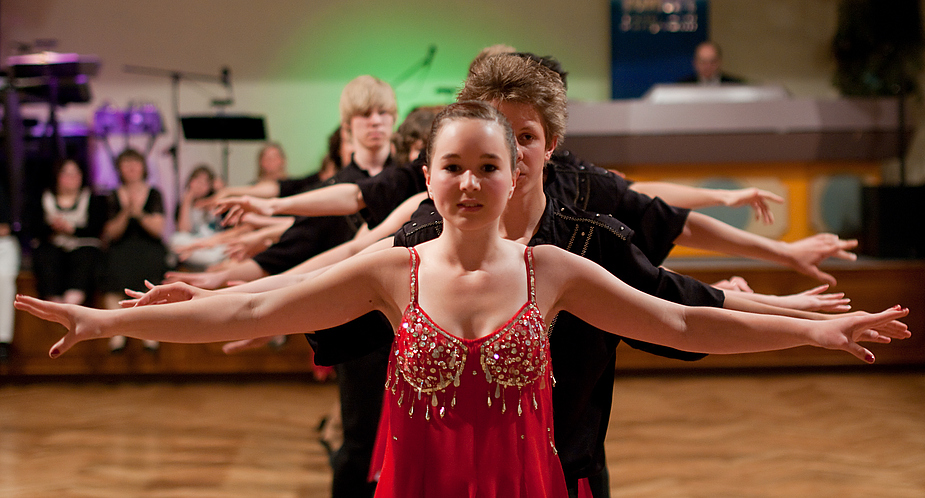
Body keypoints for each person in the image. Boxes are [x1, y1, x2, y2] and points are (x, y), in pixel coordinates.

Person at [15, 101, 911, 497]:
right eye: (455, 167)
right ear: (429, 177)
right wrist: (102, 317)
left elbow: (681, 321)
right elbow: (250, 315)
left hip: (526, 484)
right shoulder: (391, 272)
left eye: (491, 165)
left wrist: (817, 331)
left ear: (517, 166)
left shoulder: (552, 269)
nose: (473, 183)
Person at [101, 149, 168, 353]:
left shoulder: (154, 193)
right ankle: (118, 334)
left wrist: (139, 214)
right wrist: (126, 211)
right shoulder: (111, 196)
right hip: (121, 247)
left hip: (148, 247)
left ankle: (150, 335)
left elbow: (158, 230)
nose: (131, 168)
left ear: (143, 167)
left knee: (151, 270)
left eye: (135, 163)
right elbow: (111, 233)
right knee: (111, 271)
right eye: (126, 163)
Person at [30, 158, 106, 306]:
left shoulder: (92, 198)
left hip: (83, 248)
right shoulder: (44, 198)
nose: (72, 178)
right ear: (57, 176)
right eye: (66, 174)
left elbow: (97, 228)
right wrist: (53, 227)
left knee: (86, 257)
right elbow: (33, 228)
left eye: (75, 174)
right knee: (47, 256)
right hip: (53, 248)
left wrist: (72, 229)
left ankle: (71, 303)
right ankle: (55, 303)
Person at [169, 165, 226, 270]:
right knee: (176, 240)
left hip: (213, 244)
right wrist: (187, 200)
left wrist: (220, 191)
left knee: (226, 247)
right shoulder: (184, 203)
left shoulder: (215, 201)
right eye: (197, 180)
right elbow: (183, 230)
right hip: (193, 243)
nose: (200, 185)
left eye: (205, 182)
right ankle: (211, 262)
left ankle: (212, 261)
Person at [677, 40, 745, 85]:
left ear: (719, 62)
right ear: (695, 63)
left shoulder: (735, 85)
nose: (708, 66)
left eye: (712, 62)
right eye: (703, 62)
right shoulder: (683, 86)